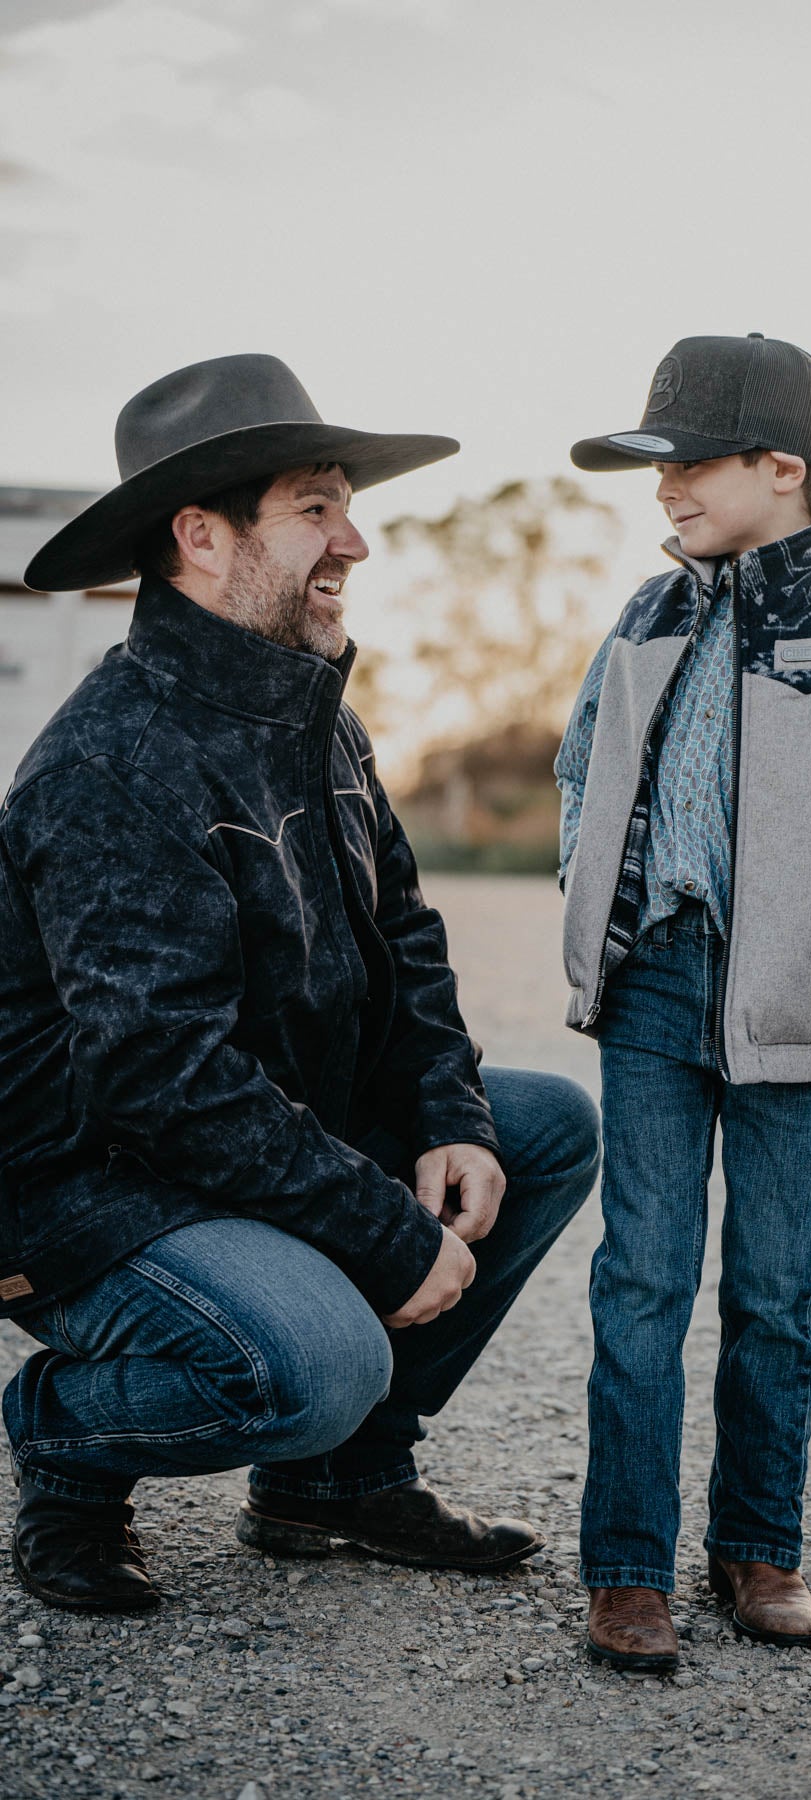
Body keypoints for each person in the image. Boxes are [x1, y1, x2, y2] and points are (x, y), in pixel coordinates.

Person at [0, 353, 600, 1615]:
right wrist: (379, 1231)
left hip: (254, 1135)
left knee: (539, 1130)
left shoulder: (318, 718)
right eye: (317, 507)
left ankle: (331, 1489)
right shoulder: (111, 760)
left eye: (347, 506)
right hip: (99, 1189)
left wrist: (451, 1114)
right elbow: (156, 1074)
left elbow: (407, 937)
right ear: (201, 536)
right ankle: (67, 1449)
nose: (358, 541)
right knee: (313, 1363)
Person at [555, 333, 811, 1671]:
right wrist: (594, 897)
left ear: (782, 468)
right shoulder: (645, 619)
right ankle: (627, 1572)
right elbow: (581, 775)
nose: (662, 487)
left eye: (688, 461)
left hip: (789, 1007)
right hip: (652, 990)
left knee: (778, 1295)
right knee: (640, 1286)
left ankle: (758, 1548)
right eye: (654, 465)